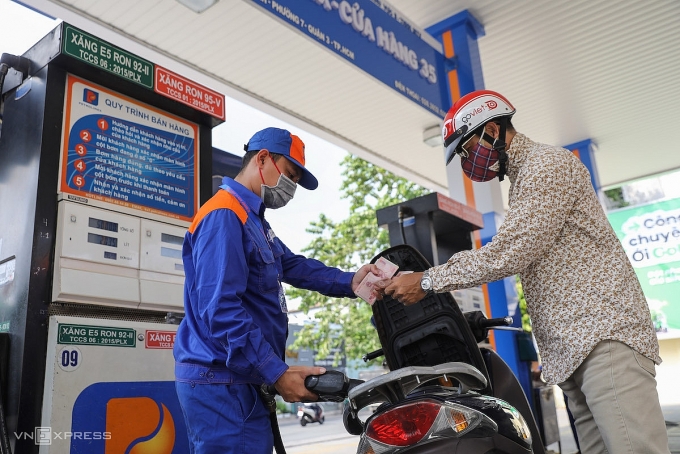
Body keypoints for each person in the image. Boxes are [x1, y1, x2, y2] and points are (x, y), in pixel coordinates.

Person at [383, 90, 669, 454]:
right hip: (573, 351)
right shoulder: (524, 180)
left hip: (602, 338)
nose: (467, 162)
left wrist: (427, 280)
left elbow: (511, 251)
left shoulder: (545, 165)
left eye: (466, 149)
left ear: (492, 130)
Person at [174, 127, 381, 454]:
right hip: (223, 381)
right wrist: (276, 372)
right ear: (262, 159)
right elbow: (220, 310)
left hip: (240, 378)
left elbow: (293, 265)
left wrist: (350, 281)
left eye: (296, 180)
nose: (292, 187)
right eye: (290, 174)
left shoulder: (253, 219)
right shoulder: (224, 214)